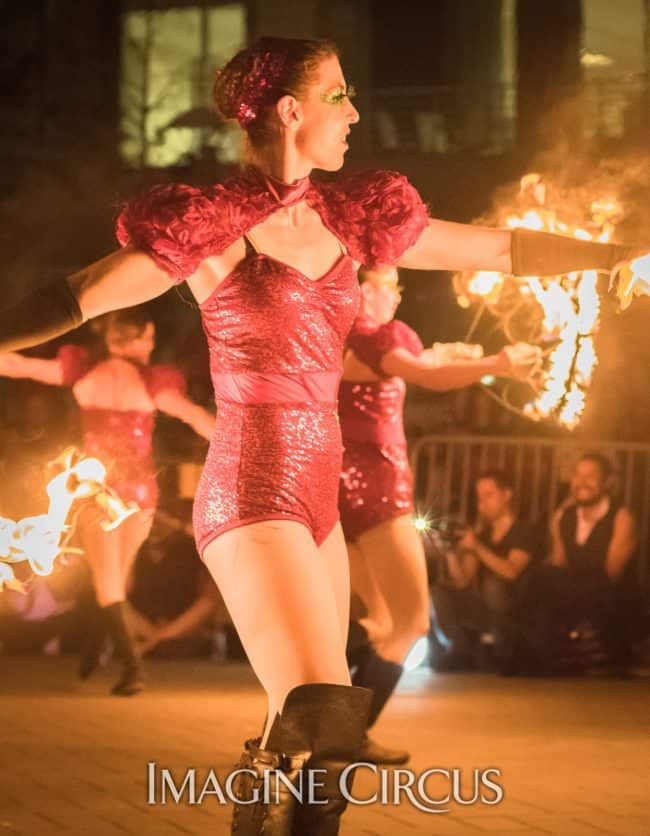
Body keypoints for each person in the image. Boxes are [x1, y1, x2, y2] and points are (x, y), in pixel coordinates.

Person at [7, 35, 650, 834]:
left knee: (304, 729)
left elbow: (501, 248)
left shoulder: (354, 220)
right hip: (250, 491)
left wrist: (626, 251)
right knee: (329, 726)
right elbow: (79, 297)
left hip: (320, 506)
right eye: (340, 95)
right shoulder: (211, 230)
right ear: (290, 111)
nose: (355, 113)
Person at [340, 266, 539, 764]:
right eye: (385, 285)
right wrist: (500, 362)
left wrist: (449, 356)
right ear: (361, 289)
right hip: (380, 492)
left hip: (335, 487)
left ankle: (296, 720)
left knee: (376, 621)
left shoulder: (334, 338)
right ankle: (345, 734)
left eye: (393, 287)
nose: (392, 296)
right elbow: (424, 374)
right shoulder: (379, 335)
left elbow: (411, 364)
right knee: (410, 625)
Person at [0, 308, 214, 695]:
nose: (150, 346)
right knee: (117, 577)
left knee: (108, 582)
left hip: (99, 490)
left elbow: (20, 366)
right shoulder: (152, 384)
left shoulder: (85, 374)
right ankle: (96, 649)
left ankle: (133, 669)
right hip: (139, 491)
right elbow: (196, 417)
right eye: (148, 339)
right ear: (138, 338)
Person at [431, 469, 535, 671]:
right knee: (439, 593)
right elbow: (463, 581)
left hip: (517, 606)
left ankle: (500, 644)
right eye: (479, 497)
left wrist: (477, 547)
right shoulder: (482, 534)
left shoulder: (524, 530)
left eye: (489, 496)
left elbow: (511, 571)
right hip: (486, 607)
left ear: (507, 495)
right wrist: (451, 552)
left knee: (493, 585)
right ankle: (457, 648)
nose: (482, 503)